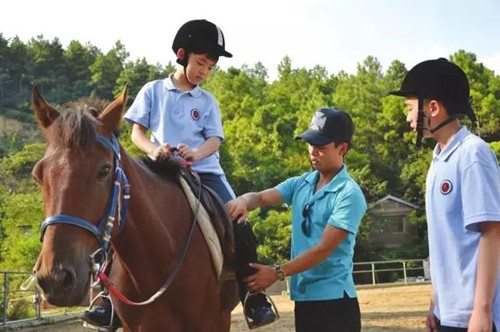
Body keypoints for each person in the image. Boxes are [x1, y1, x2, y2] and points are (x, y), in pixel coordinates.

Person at [82, 19, 276, 328]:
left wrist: (196, 153)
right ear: (182, 54)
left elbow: (214, 140)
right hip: (160, 170)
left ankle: (252, 296)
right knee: (119, 214)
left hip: (205, 173)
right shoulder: (153, 90)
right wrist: (153, 150)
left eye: (210, 67)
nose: (204, 72)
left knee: (239, 219)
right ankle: (106, 296)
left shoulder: (207, 101)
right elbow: (137, 134)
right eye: (201, 63)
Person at [226, 108, 367, 332]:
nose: (313, 152)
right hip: (304, 299)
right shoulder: (302, 183)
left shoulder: (349, 194)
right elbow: (261, 197)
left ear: (342, 148)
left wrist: (276, 273)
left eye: (321, 147)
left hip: (335, 304)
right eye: (311, 144)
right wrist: (243, 201)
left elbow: (323, 249)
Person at [389, 58, 500, 332]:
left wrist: (483, 311)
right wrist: (434, 304)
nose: (408, 117)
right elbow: (444, 242)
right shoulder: (438, 160)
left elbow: (492, 232)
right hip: (448, 313)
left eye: (410, 108)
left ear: (433, 108)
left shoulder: (473, 153)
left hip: (474, 316)